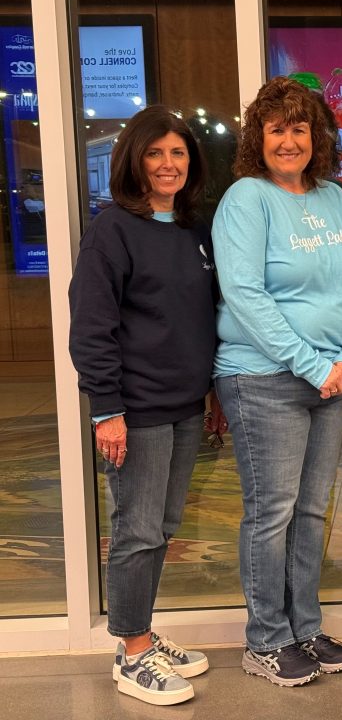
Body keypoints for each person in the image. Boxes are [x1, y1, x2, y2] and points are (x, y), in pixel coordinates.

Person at [212, 77, 342, 687]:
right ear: (258, 137)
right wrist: (314, 364)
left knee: (310, 512)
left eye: (299, 128)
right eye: (276, 129)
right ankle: (266, 640)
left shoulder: (335, 199)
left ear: (316, 136)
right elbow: (245, 294)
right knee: (271, 513)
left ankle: (305, 626)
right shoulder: (245, 199)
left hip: (331, 380)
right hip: (263, 377)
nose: (289, 140)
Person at [69, 105, 220, 706]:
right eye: (155, 153)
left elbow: (201, 317)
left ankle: (142, 633)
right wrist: (106, 410)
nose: (167, 164)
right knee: (136, 531)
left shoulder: (192, 228)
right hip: (137, 410)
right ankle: (131, 654)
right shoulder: (112, 231)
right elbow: (91, 326)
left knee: (162, 528)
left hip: (186, 406)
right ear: (133, 160)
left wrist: (210, 390)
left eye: (177, 152)